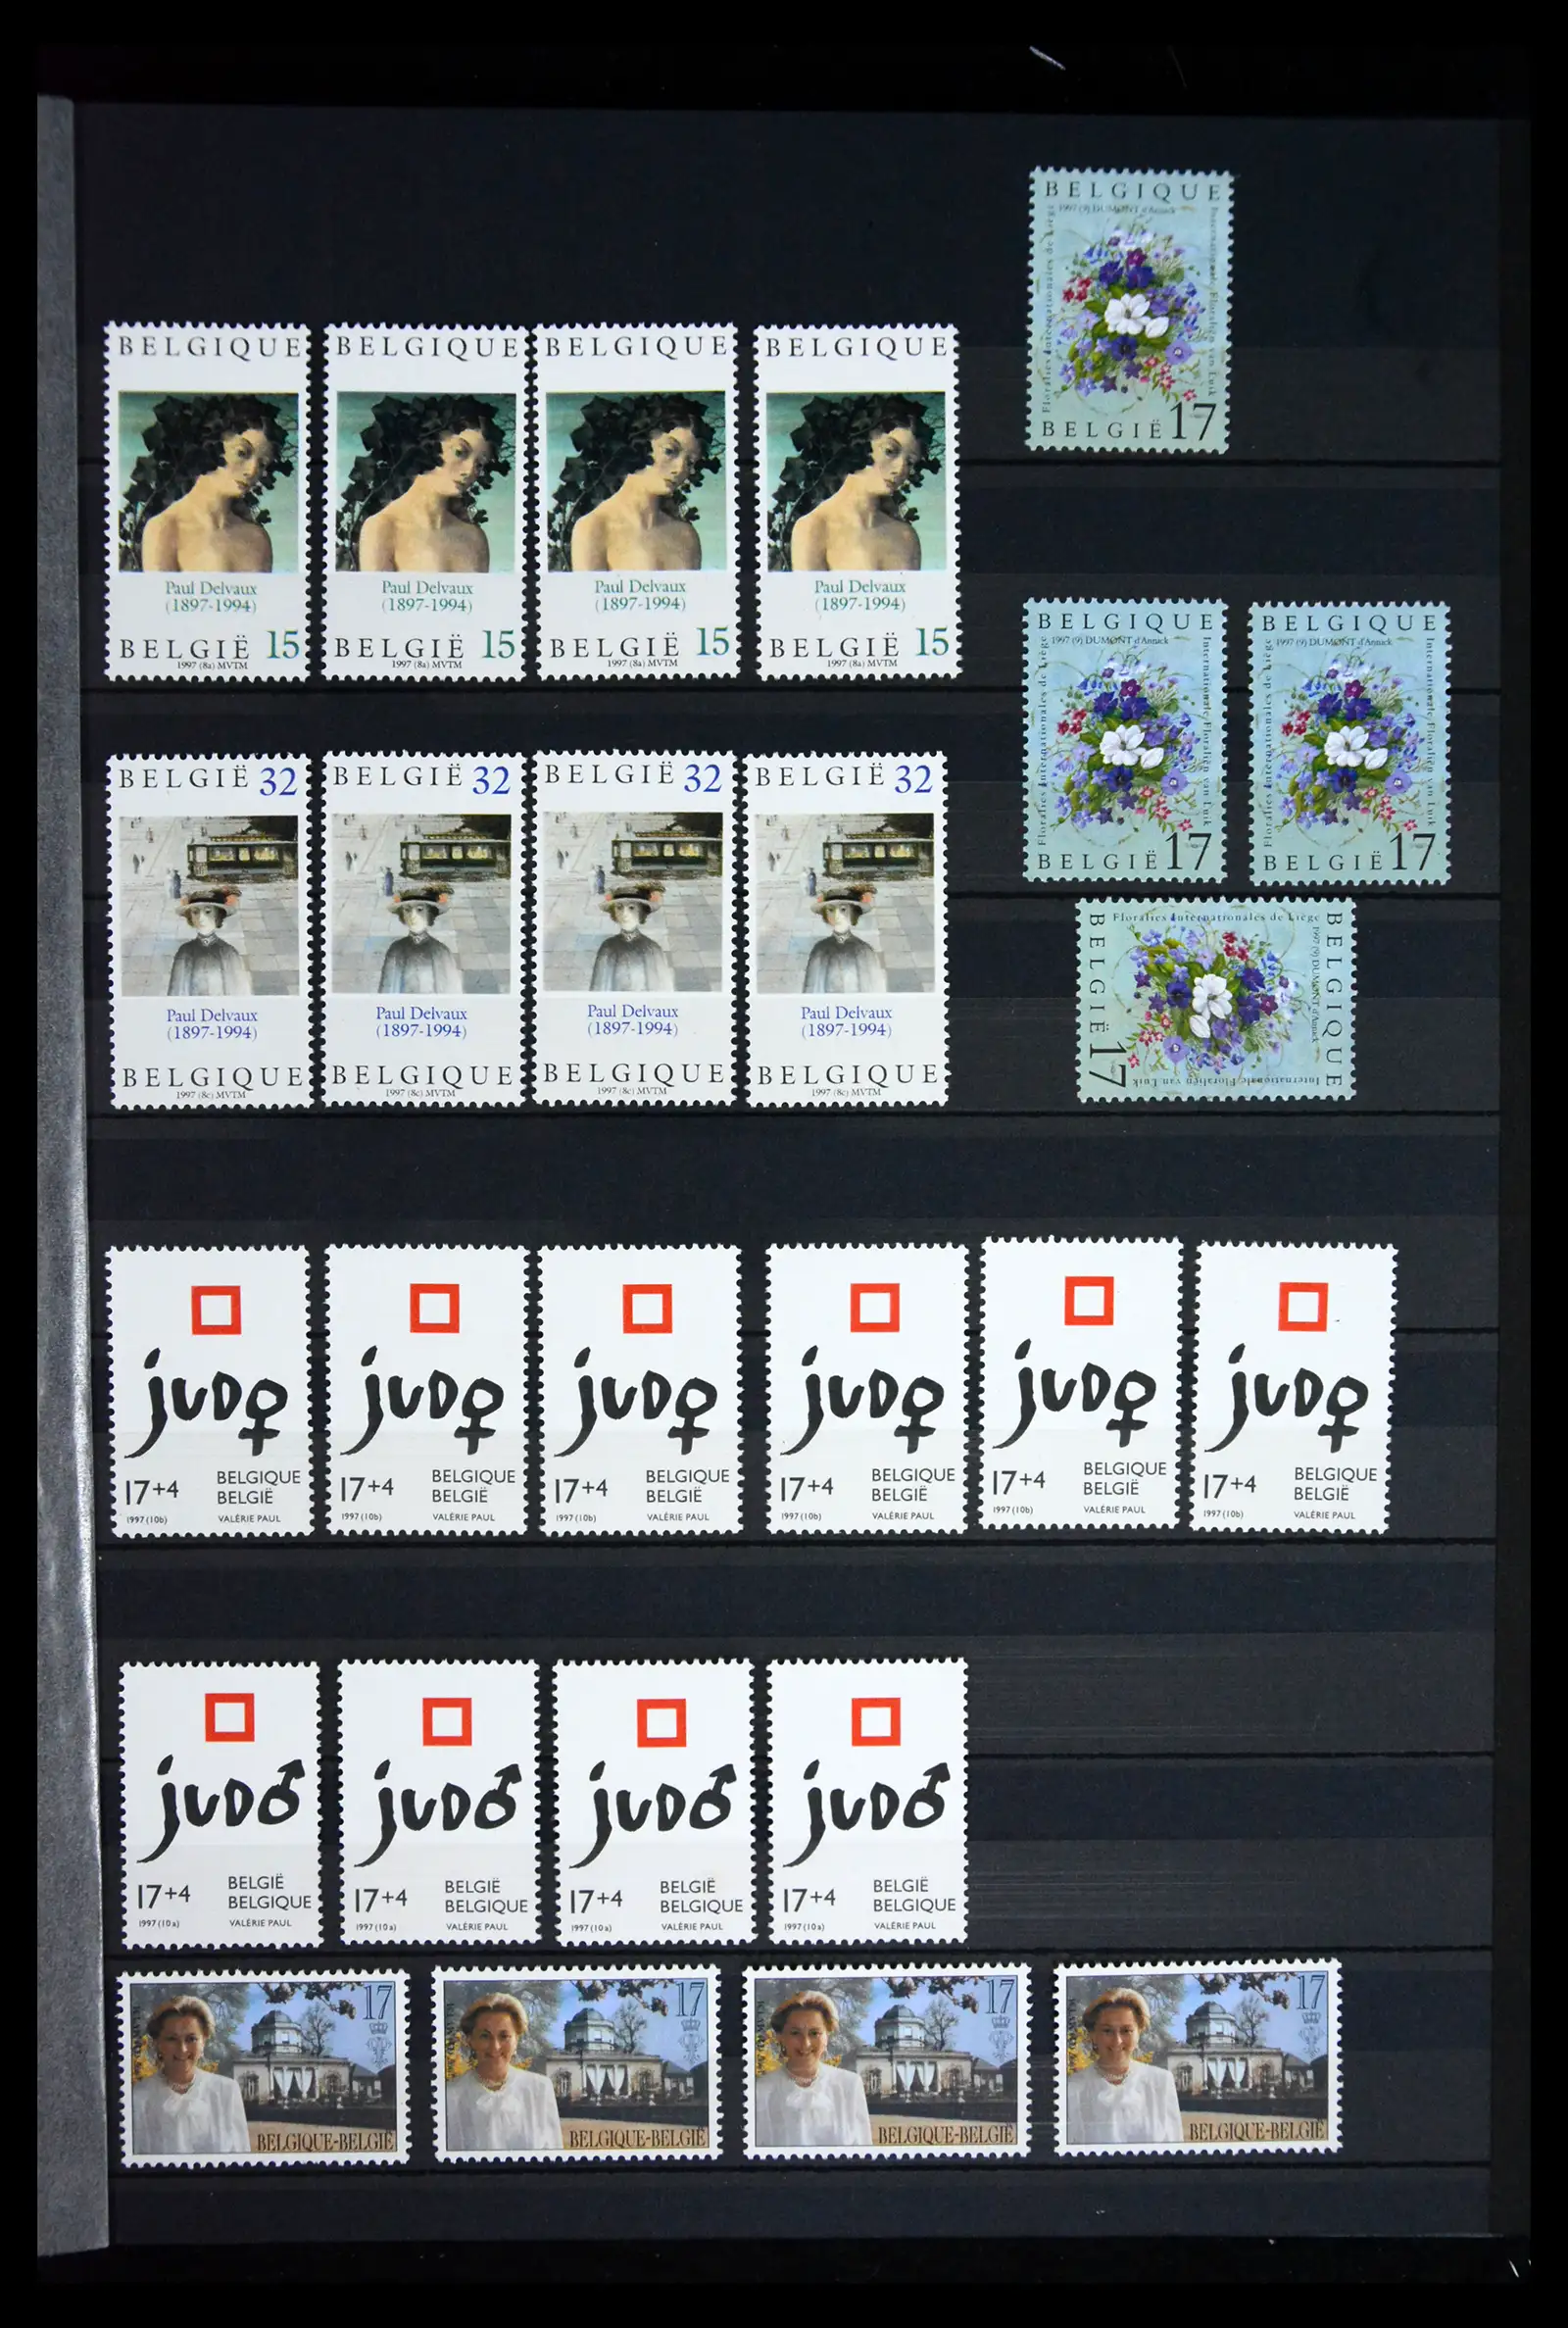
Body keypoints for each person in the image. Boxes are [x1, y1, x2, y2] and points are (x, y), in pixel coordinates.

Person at [548, 393, 721, 573]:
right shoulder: (593, 528)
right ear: (639, 443)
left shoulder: (686, 536)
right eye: (670, 451)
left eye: (690, 462)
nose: (681, 469)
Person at [768, 394, 940, 573]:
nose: (901, 469)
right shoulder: (813, 527)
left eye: (910, 462)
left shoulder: (906, 537)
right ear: (860, 442)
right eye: (890, 451)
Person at [123, 393, 290, 574]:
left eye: (263, 463)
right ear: (210, 444)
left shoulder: (258, 539)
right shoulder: (165, 528)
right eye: (242, 453)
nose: (252, 471)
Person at [343, 394, 510, 573]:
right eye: (460, 452)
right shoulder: (382, 527)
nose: (470, 471)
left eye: (480, 464)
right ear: (428, 444)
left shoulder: (475, 538)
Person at [130, 1996, 251, 2156]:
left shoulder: (227, 2091)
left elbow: (241, 2159)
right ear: (157, 2043)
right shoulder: (139, 2097)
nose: (182, 2049)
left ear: (204, 2042)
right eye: (172, 2039)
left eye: (191, 2039)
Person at [1063, 1989, 1185, 2147]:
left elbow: (1175, 2148)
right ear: (1093, 2035)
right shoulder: (1073, 2087)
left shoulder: (1161, 2082)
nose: (1117, 2041)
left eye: (1126, 2030)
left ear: (1139, 2032)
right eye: (1107, 2031)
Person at [753, 1992, 872, 2149]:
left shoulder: (850, 2085)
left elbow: (863, 2151)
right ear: (780, 2037)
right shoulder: (761, 2090)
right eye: (795, 2033)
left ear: (827, 2037)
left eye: (814, 2033)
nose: (806, 2044)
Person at [444, 1995, 562, 2152]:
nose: (495, 2047)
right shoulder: (451, 2095)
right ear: (470, 2040)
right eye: (485, 2036)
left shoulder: (540, 2089)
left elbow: (554, 2154)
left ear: (516, 2040)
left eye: (504, 2036)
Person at [167, 888, 253, 998]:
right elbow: (176, 993)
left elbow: (240, 994)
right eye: (195, 912)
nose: (201, 918)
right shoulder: (184, 952)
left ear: (218, 915)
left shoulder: (229, 952)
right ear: (190, 916)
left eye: (208, 912)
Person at [589, 885, 674, 992]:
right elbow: (598, 989)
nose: (625, 914)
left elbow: (664, 991)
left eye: (631, 908)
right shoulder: (607, 947)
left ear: (641, 912)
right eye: (619, 907)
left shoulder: (653, 949)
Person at [377, 887, 462, 995]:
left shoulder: (441, 951)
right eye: (407, 910)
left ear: (429, 913)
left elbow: (452, 994)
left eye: (420, 910)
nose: (413, 916)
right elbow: (387, 991)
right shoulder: (396, 949)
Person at [803, 888, 887, 995]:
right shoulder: (819, 949)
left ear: (853, 912)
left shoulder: (865, 950)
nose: (836, 916)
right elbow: (810, 990)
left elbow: (876, 990)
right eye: (831, 910)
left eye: (843, 909)